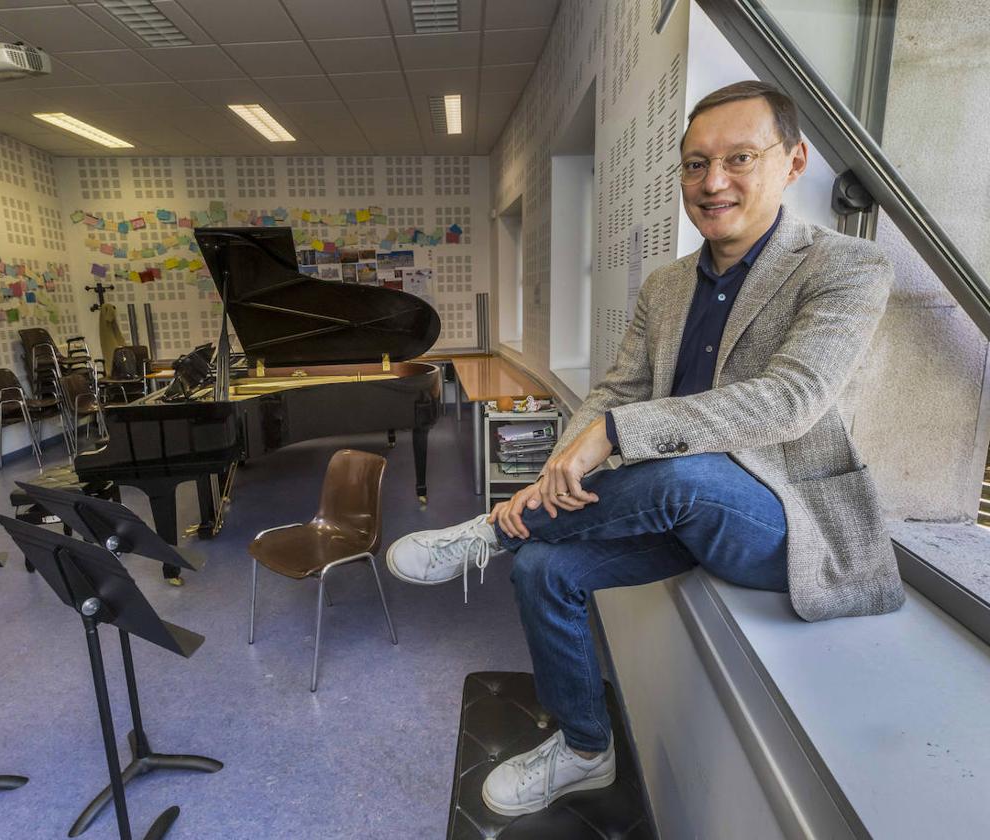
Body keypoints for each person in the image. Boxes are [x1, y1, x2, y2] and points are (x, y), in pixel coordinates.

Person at [386, 80, 906, 817]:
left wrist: (613, 436)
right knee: (542, 568)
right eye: (695, 164)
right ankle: (584, 751)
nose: (712, 181)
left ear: (793, 163)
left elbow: (791, 399)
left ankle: (491, 532)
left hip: (783, 522)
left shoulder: (846, 267)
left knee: (681, 473)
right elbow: (614, 391)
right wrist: (567, 455)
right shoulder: (666, 285)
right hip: (673, 509)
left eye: (739, 158)